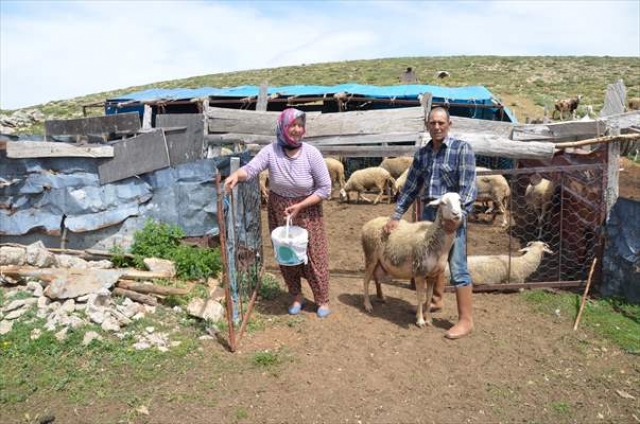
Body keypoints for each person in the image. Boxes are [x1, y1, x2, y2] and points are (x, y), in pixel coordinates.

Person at [224, 108, 333, 318]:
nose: (297, 130)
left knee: (314, 256)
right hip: (279, 209)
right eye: (292, 126)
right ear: (282, 128)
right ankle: (296, 296)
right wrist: (237, 174)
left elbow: (325, 189)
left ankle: (322, 299)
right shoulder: (271, 151)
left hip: (308, 211)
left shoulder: (312, 154)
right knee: (287, 255)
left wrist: (301, 205)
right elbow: (252, 168)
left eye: (300, 126)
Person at [384, 106, 477, 339]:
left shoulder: (461, 149)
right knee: (430, 262)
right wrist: (396, 216)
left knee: (457, 265)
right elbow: (411, 187)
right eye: (432, 123)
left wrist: (459, 217)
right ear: (427, 125)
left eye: (441, 123)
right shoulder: (423, 153)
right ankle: (433, 303)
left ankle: (466, 320)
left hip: (452, 216)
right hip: (429, 214)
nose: (437, 126)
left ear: (449, 124)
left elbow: (468, 187)